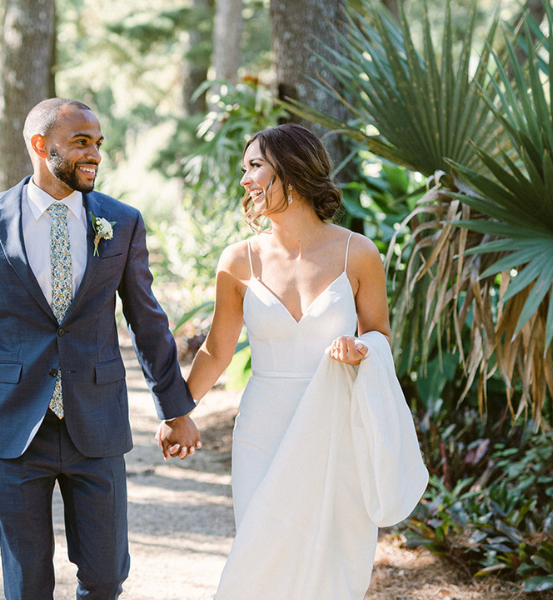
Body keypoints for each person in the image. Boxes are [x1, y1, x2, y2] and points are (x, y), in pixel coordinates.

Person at [0, 97, 201, 600]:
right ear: (40, 145)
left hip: (97, 422)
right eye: (81, 142)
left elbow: (148, 322)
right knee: (27, 584)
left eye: (98, 144)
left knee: (106, 576)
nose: (95, 155)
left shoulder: (122, 221)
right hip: (15, 423)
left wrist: (175, 410)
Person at [174, 123, 427, 598]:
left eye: (255, 166)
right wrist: (177, 412)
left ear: (291, 170)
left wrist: (361, 349)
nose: (244, 179)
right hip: (262, 431)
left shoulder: (357, 253)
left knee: (331, 562)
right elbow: (216, 351)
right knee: (261, 559)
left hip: (336, 429)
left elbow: (379, 334)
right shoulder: (239, 260)